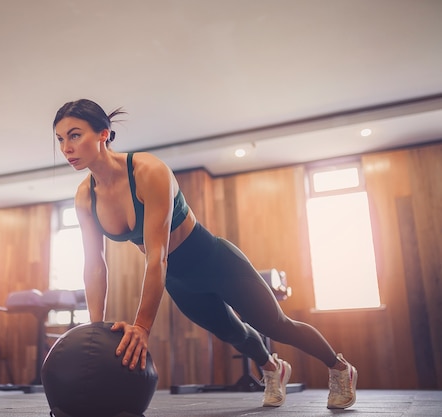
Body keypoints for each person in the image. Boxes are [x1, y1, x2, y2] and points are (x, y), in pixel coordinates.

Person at [53, 98, 358, 409]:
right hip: (179, 280)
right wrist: (93, 333)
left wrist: (142, 327)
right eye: (61, 139)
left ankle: (339, 367)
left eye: (75, 135)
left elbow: (156, 256)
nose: (66, 147)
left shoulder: (147, 171)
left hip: (216, 261)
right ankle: (272, 368)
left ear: (104, 134)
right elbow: (95, 264)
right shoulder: (84, 197)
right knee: (234, 333)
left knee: (275, 324)